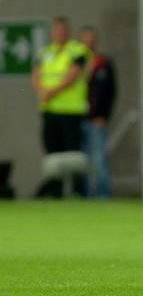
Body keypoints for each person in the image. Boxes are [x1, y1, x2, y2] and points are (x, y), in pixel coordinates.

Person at [32, 17, 90, 198]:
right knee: (52, 152)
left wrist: (51, 92)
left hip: (71, 111)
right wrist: (42, 90)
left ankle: (77, 191)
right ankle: (55, 191)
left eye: (63, 30)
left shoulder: (77, 51)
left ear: (68, 31)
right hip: (50, 111)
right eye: (56, 30)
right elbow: (36, 76)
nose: (59, 34)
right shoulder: (44, 53)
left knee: (73, 152)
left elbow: (72, 76)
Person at [80, 26, 116, 198]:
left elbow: (111, 92)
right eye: (86, 41)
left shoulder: (104, 63)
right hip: (78, 119)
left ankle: (103, 194)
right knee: (82, 160)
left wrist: (104, 116)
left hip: (96, 120)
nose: (89, 44)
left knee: (99, 159)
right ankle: (84, 194)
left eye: (92, 40)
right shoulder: (76, 64)